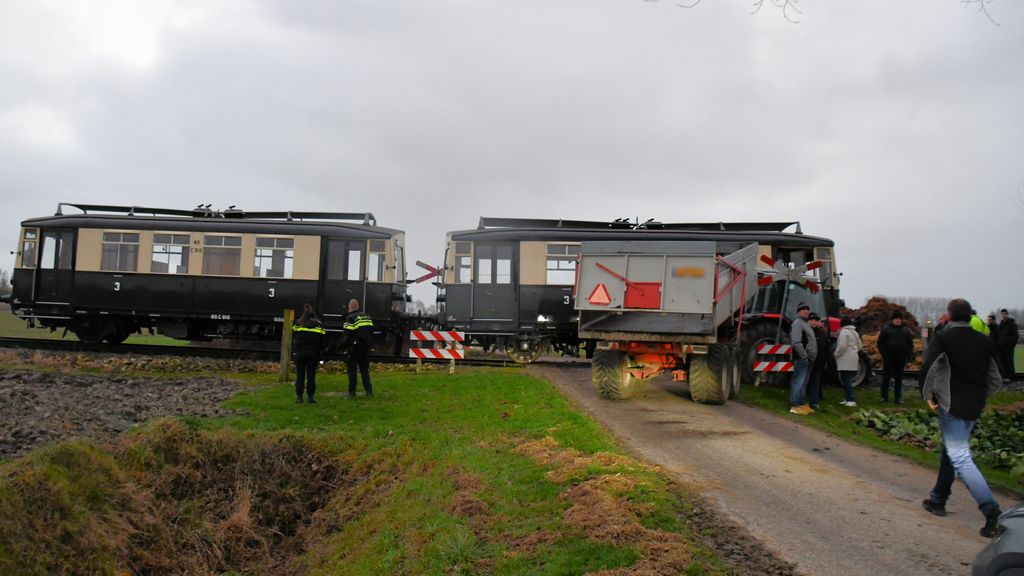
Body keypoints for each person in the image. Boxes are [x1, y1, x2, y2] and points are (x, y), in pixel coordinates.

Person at [920, 298, 1004, 538]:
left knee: (960, 458)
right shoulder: (985, 341)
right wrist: (980, 396)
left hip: (950, 405)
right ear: (970, 316)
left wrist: (928, 395)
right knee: (952, 451)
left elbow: (929, 367)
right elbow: (996, 379)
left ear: (949, 315)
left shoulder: (944, 338)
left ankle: (991, 510)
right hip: (973, 407)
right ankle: (938, 499)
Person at [291, 303, 326, 404]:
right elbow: (323, 341)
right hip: (313, 354)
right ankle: (310, 397)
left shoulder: (298, 323)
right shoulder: (319, 325)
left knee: (300, 376)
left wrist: (296, 350)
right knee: (311, 377)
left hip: (300, 354)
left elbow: (293, 336)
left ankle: (299, 397)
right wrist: (321, 352)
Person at [878, 309, 913, 404]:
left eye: (900, 319)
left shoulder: (906, 331)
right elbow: (880, 343)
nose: (898, 320)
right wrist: (885, 355)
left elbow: (910, 344)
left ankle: (898, 398)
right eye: (896, 318)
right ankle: (884, 397)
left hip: (901, 358)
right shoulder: (886, 329)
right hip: (889, 358)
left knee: (899, 378)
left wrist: (908, 354)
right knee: (886, 377)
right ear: (892, 319)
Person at [342, 298, 375, 397]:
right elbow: (371, 331)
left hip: (354, 349)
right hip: (365, 349)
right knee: (365, 371)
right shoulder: (367, 317)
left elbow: (346, 335)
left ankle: (352, 392)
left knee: (352, 371)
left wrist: (342, 346)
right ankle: (369, 391)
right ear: (358, 306)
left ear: (350, 307)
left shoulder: (350, 318)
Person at [788, 303, 817, 415]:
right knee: (798, 382)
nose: (806, 311)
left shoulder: (805, 324)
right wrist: (804, 356)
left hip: (808, 359)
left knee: (803, 382)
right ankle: (794, 405)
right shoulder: (797, 324)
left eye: (807, 309)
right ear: (798, 312)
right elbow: (796, 342)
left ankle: (801, 403)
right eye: (803, 309)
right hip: (801, 359)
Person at [833, 315, 862, 407]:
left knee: (846, 380)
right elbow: (860, 346)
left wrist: (836, 354)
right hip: (854, 357)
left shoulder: (844, 332)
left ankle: (851, 400)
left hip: (845, 359)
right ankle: (847, 398)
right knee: (847, 379)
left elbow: (842, 346)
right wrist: (853, 351)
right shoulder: (855, 332)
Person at [806, 312, 831, 410]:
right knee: (802, 382)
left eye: (815, 320)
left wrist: (827, 360)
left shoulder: (822, 333)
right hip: (806, 362)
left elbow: (827, 347)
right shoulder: (804, 332)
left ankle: (814, 402)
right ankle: (799, 401)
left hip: (818, 363)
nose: (813, 322)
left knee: (815, 382)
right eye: (811, 320)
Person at [997, 309, 1019, 383]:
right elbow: (999, 335)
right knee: (1002, 361)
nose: (1003, 315)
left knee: (1009, 361)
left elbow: (1015, 336)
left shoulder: (1012, 324)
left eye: (1005, 314)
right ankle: (1004, 376)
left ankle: (1010, 377)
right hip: (1001, 347)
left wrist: (1011, 345)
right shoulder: (1001, 324)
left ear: (1007, 314)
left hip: (1008, 347)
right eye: (1002, 314)